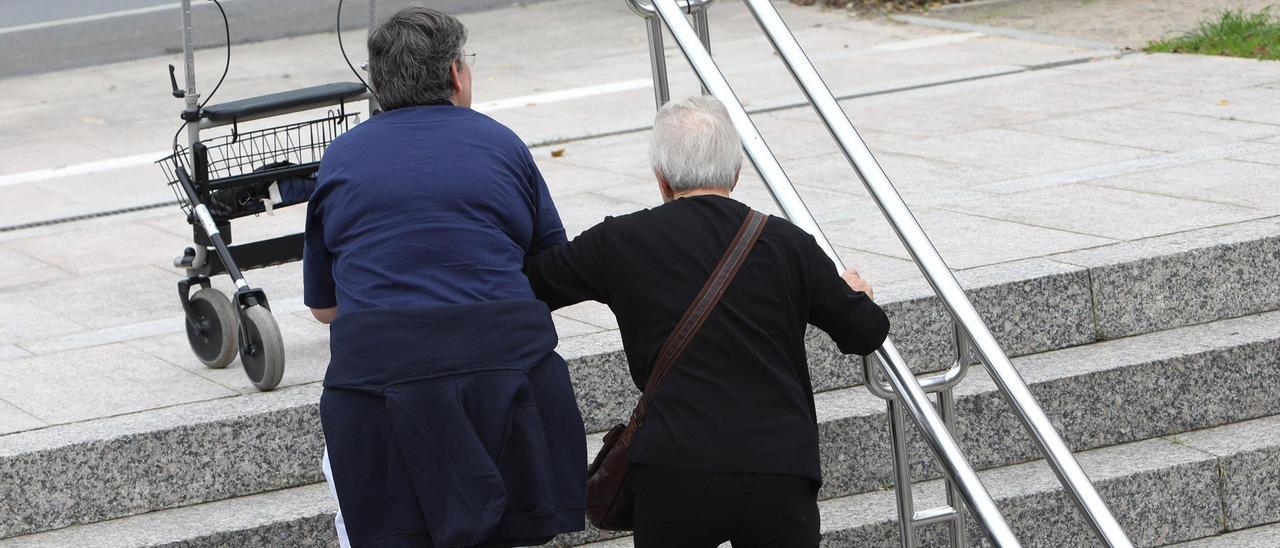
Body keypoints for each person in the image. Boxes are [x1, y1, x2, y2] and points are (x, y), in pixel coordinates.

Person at [523, 96, 890, 548]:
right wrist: (856, 293)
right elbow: (866, 332)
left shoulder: (619, 242)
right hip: (777, 467)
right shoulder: (788, 243)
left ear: (661, 179)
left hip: (673, 468)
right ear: (736, 172)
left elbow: (532, 283)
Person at [304, 7, 586, 547]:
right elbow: (551, 269)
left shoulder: (340, 159)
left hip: (379, 386)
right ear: (457, 74)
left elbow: (324, 307)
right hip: (509, 374)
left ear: (378, 85)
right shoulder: (502, 144)